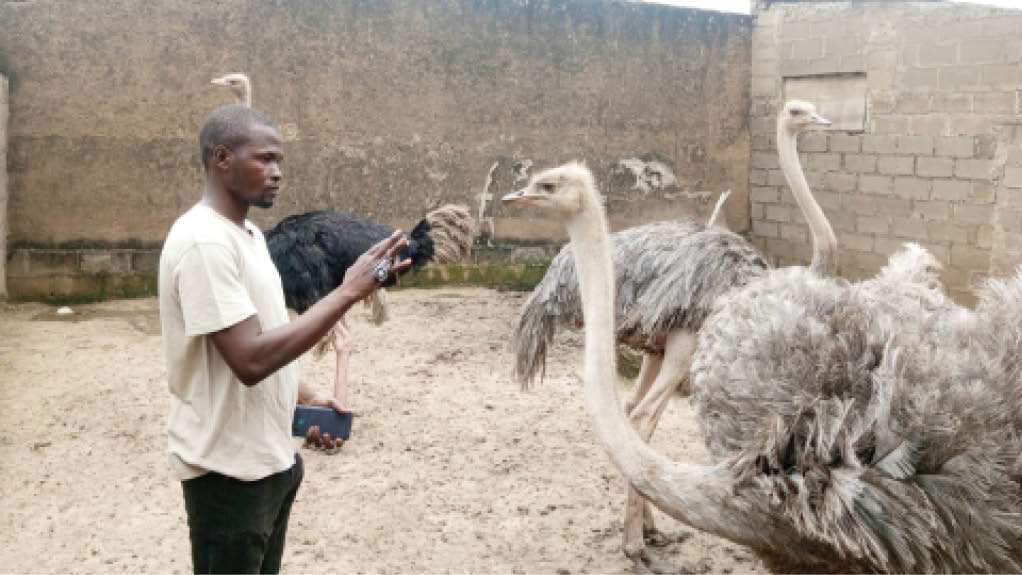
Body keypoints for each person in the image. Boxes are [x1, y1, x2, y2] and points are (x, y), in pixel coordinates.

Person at [158, 104, 410, 574]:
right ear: (222, 159)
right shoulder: (204, 243)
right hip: (229, 476)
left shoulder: (248, 235)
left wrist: (308, 398)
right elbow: (249, 360)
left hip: (271, 463)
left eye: (281, 162)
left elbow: (263, 341)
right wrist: (349, 291)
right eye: (265, 159)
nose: (277, 173)